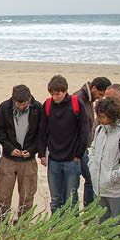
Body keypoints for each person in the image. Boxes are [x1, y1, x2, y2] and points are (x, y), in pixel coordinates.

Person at [38, 75, 89, 213]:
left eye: (58, 94)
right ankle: (55, 229)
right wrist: (42, 153)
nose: (55, 97)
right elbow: (42, 131)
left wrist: (79, 154)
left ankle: (71, 230)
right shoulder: (48, 105)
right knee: (56, 199)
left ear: (65, 91)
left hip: (72, 159)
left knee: (71, 199)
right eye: (52, 94)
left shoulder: (76, 103)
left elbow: (84, 130)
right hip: (54, 159)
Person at [0, 84, 42, 220]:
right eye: (18, 104)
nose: (21, 107)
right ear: (13, 99)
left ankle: (23, 228)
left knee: (27, 198)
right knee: (3, 197)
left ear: (29, 99)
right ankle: (0, 226)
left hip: (28, 160)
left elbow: (41, 132)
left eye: (25, 104)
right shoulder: (5, 107)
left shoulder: (37, 108)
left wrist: (32, 150)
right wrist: (9, 148)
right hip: (8, 159)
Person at [88, 97, 120, 227]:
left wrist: (112, 177)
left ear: (112, 115)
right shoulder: (99, 130)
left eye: (103, 117)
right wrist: (93, 169)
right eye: (99, 116)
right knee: (103, 228)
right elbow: (94, 151)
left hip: (118, 191)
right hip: (99, 189)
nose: (100, 120)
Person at [75, 77, 112, 207]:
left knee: (89, 179)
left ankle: (88, 211)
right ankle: (87, 212)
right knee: (85, 180)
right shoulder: (80, 99)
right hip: (78, 148)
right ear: (94, 88)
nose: (100, 98)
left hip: (84, 147)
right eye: (100, 95)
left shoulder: (89, 99)